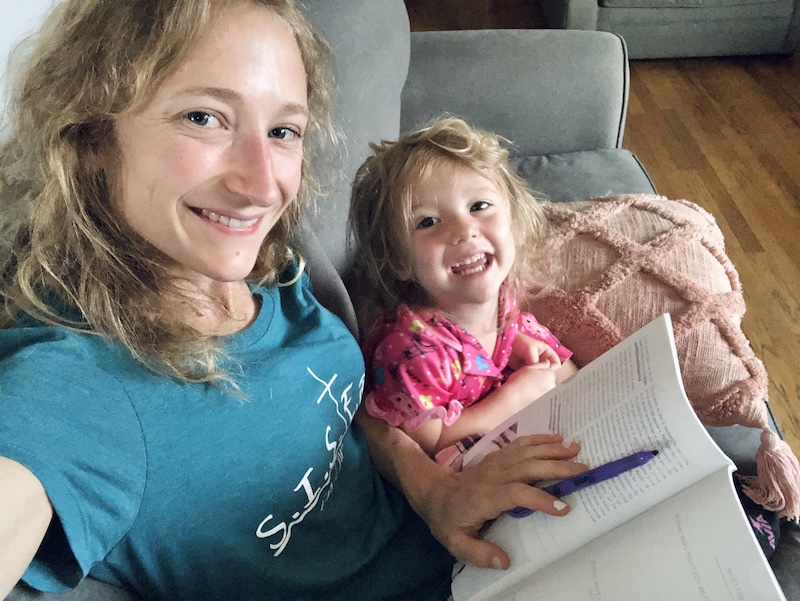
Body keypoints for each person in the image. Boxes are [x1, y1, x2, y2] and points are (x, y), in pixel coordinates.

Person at [0, 1, 589, 599]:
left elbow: (343, 412)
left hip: (472, 550)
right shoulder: (77, 385)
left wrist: (433, 493)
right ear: (91, 133)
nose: (263, 187)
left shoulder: (266, 265)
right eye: (204, 117)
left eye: (283, 131)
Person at [348, 118, 579, 470]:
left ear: (513, 220)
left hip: (519, 425)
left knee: (563, 370)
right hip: (468, 475)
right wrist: (516, 396)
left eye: (478, 206)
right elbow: (431, 443)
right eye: (427, 222)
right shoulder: (413, 353)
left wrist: (518, 343)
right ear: (399, 261)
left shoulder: (503, 296)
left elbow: (511, 344)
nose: (464, 230)